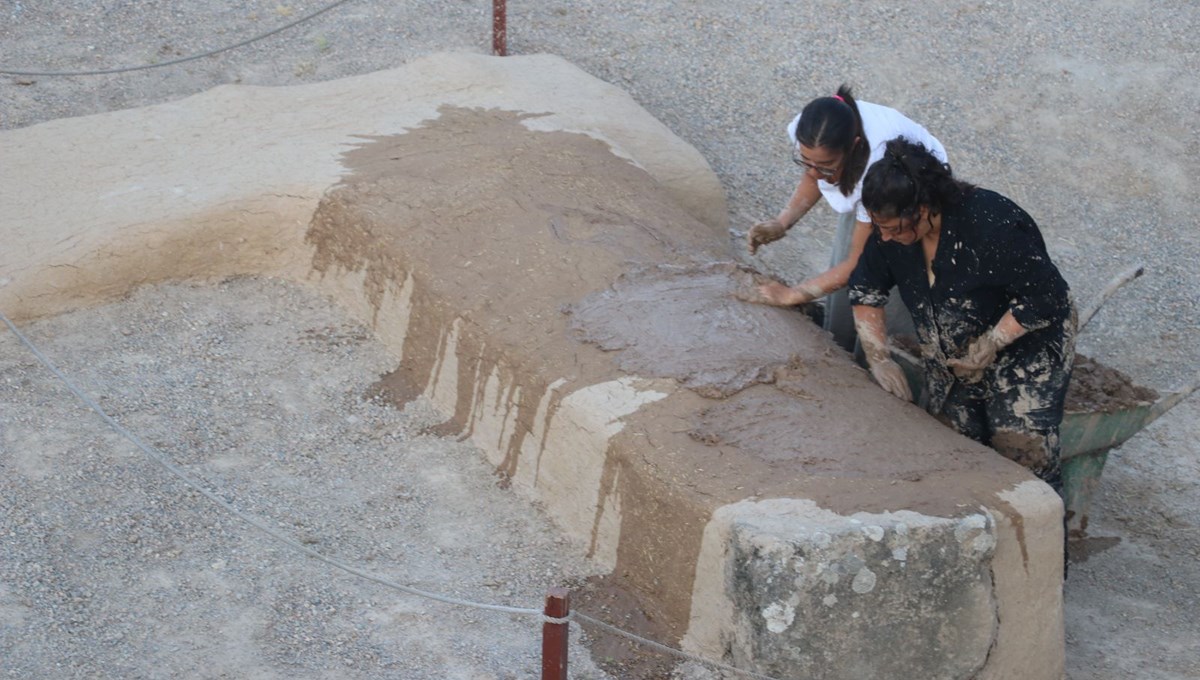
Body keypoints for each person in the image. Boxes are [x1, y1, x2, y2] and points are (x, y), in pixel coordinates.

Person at [849, 137, 1077, 498]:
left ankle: (1043, 544)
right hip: (952, 348)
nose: (887, 237)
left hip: (1027, 342)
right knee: (954, 449)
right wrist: (879, 357)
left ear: (924, 207)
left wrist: (993, 342)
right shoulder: (890, 234)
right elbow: (866, 288)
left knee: (1022, 457)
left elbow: (1048, 296)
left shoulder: (992, 223)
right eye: (881, 228)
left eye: (895, 227)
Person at [747, 85, 946, 351]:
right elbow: (814, 172)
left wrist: (791, 294)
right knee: (842, 294)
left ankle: (880, 360)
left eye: (827, 167)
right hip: (867, 188)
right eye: (806, 161)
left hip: (908, 202)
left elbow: (857, 263)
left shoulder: (876, 162)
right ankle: (839, 343)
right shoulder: (812, 130)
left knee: (891, 290)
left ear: (853, 147)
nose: (815, 173)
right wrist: (783, 222)